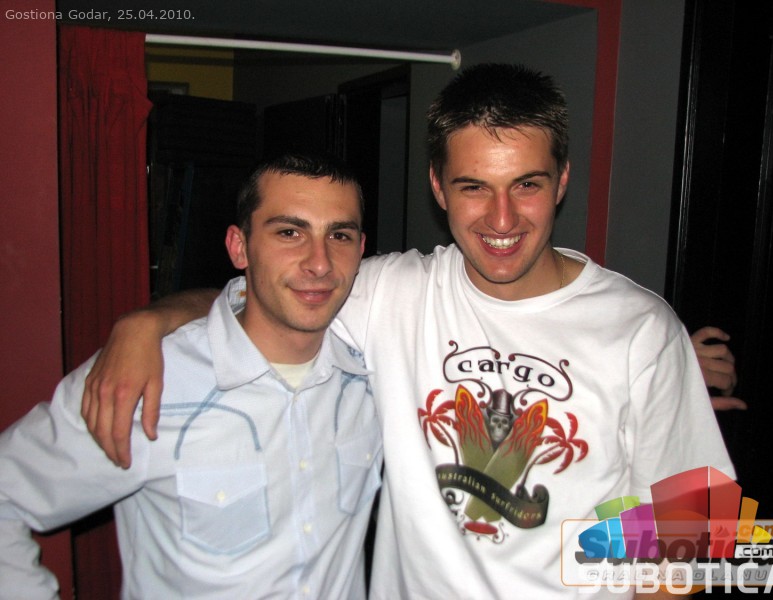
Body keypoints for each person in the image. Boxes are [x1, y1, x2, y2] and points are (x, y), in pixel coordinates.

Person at [82, 64, 735, 598]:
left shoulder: (640, 331)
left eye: (526, 185)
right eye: (473, 187)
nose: (501, 218)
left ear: (561, 181)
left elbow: (695, 526)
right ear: (438, 188)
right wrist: (148, 321)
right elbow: (272, 296)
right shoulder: (394, 293)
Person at [0, 153, 383, 599]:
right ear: (239, 247)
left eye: (338, 235)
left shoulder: (373, 368)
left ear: (360, 250)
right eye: (289, 232)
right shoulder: (149, 383)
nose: (319, 263)